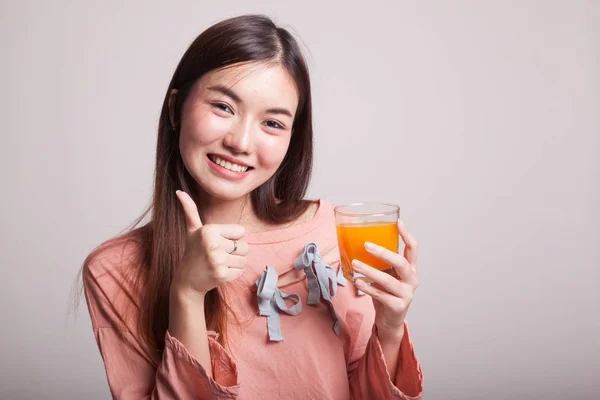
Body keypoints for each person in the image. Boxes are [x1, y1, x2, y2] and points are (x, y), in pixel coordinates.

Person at [82, 14, 424, 399]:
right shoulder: (114, 270)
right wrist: (188, 294)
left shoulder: (331, 233)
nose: (241, 142)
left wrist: (391, 328)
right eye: (224, 107)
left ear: (292, 139)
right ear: (177, 109)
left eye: (273, 124)